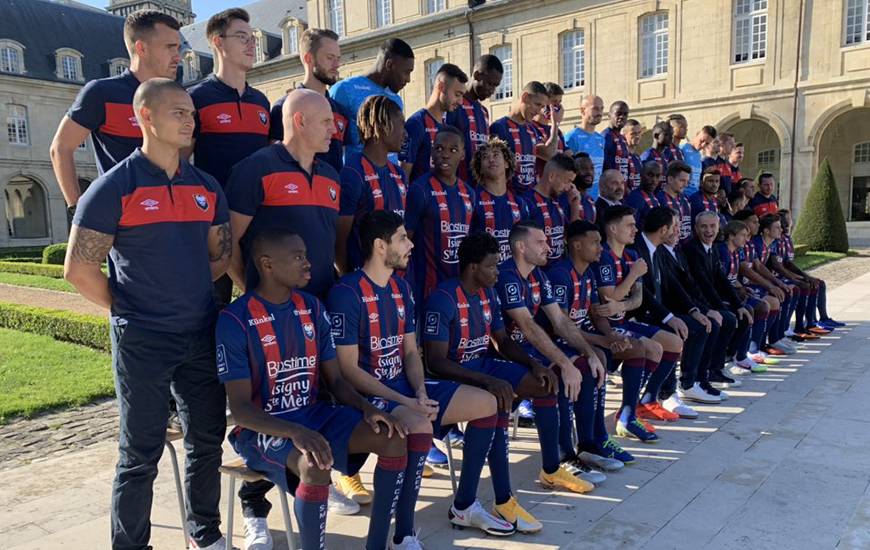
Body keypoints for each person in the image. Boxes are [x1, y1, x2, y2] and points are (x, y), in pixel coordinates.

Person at [64, 78, 231, 550]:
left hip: (199, 333)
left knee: (205, 442)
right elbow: (78, 269)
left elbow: (219, 256)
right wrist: (130, 308)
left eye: (191, 112)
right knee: (139, 455)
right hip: (143, 341)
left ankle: (206, 534)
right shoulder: (114, 187)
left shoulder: (206, 186)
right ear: (145, 118)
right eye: (177, 111)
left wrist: (187, 289)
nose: (189, 119)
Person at [217, 229, 409, 550]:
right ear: (267, 264)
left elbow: (335, 382)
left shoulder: (313, 308)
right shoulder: (235, 320)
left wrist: (368, 408)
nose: (308, 264)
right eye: (298, 257)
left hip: (314, 416)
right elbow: (240, 410)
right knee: (314, 463)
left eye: (306, 255)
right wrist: (294, 431)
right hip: (261, 428)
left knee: (393, 437)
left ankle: (378, 544)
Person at [328, 211, 510, 546]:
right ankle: (402, 535)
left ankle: (465, 505)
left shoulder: (402, 288)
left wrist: (421, 390)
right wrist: (406, 401)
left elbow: (411, 353)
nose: (411, 244)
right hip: (365, 397)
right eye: (402, 238)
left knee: (487, 403)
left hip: (404, 389)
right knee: (419, 425)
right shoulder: (347, 292)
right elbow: (348, 370)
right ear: (380, 246)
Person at [424, 232, 561, 533]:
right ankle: (491, 499)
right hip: (450, 377)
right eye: (492, 266)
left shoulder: (488, 293)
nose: (498, 271)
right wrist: (487, 380)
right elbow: (435, 362)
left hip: (482, 366)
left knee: (545, 383)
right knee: (493, 401)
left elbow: (503, 341)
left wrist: (533, 363)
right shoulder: (443, 299)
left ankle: (550, 470)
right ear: (473, 267)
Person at [496, 220, 607, 491]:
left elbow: (561, 320)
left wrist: (587, 352)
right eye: (540, 242)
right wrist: (562, 362)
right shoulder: (507, 275)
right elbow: (528, 326)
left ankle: (585, 447)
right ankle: (559, 459)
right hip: (504, 354)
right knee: (554, 376)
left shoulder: (538, 275)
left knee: (585, 366)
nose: (549, 246)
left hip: (528, 349)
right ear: (521, 247)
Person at [50, 10, 182, 213]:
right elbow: (60, 148)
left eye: (178, 48)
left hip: (174, 213)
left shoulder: (178, 96)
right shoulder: (102, 92)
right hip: (124, 219)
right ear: (141, 48)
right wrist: (77, 208)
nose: (178, 57)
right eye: (170, 48)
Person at [548, 220, 655, 462]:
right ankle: (589, 440)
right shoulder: (560, 274)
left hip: (581, 335)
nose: (600, 247)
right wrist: (601, 341)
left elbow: (596, 313)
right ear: (576, 245)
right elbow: (563, 326)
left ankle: (619, 422)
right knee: (596, 358)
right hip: (556, 342)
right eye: (595, 242)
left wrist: (610, 335)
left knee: (635, 349)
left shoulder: (587, 272)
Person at [187, 8, 271, 306]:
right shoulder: (198, 99)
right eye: (241, 37)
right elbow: (184, 167)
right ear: (217, 42)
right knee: (213, 313)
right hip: (216, 225)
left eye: (252, 38)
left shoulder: (261, 102)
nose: (251, 45)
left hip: (260, 223)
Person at [226, 89, 341, 299]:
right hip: (276, 317)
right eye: (326, 122)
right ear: (300, 121)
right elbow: (227, 241)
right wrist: (255, 293)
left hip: (323, 308)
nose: (333, 129)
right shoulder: (257, 169)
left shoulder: (331, 176)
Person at [593, 206, 687, 426]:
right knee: (651, 348)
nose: (635, 229)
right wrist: (633, 275)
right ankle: (628, 412)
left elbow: (637, 298)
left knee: (674, 343)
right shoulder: (604, 257)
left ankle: (647, 400)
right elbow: (609, 299)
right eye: (630, 225)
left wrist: (622, 303)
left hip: (623, 320)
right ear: (613, 229)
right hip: (603, 326)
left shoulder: (632, 255)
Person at [656, 211, 729, 404]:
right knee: (699, 326)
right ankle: (686, 383)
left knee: (714, 321)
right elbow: (675, 291)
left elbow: (691, 287)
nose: (676, 231)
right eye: (673, 227)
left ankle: (701, 379)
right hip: (668, 310)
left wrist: (705, 310)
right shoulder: (660, 253)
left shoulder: (678, 252)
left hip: (684, 306)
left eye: (679, 227)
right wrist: (698, 312)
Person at [337, 96, 408, 274]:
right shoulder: (353, 173)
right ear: (383, 125)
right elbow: (339, 240)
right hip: (365, 283)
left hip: (396, 282)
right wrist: (350, 278)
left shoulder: (398, 173)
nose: (405, 133)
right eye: (401, 124)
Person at [405, 126, 475, 304]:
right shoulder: (419, 189)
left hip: (459, 289)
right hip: (426, 290)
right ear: (432, 151)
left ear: (462, 154)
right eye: (439, 148)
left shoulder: (469, 193)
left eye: (453, 150)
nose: (445, 155)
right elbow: (406, 241)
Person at [683, 211, 753, 388]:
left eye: (712, 226)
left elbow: (721, 279)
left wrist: (738, 305)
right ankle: (705, 372)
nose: (709, 230)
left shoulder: (712, 247)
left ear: (718, 227)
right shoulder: (692, 249)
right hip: (694, 301)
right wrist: (715, 308)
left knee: (741, 314)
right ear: (696, 228)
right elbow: (702, 284)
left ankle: (719, 365)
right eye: (704, 226)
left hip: (707, 299)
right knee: (725, 319)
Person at [270, 28, 349, 172]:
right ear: (308, 59)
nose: (337, 65)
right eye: (330, 58)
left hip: (334, 191)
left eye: (338, 59)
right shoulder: (283, 108)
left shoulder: (341, 112)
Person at [330, 38, 414, 159]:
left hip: (389, 175)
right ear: (389, 64)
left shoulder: (396, 100)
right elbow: (332, 144)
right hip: (358, 174)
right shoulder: (345, 90)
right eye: (406, 72)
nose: (408, 79)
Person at [776, 209, 844, 334]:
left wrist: (803, 276)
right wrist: (801, 277)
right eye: (788, 218)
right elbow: (783, 265)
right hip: (780, 277)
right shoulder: (778, 241)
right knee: (805, 286)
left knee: (818, 283)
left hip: (787, 274)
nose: (790, 221)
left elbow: (788, 263)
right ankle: (799, 325)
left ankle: (817, 320)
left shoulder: (787, 239)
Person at [715, 220, 769, 374]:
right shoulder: (722, 252)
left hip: (733, 293)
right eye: (743, 235)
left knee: (760, 306)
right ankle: (735, 356)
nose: (747, 239)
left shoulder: (736, 253)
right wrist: (736, 292)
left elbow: (732, 278)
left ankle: (743, 353)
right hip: (721, 297)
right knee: (748, 311)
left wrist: (741, 287)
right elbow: (721, 281)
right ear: (731, 236)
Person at [400, 63, 468, 182]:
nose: (461, 102)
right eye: (457, 94)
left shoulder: (447, 126)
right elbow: (403, 174)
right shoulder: (416, 124)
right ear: (441, 87)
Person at [490, 81, 559, 194]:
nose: (538, 111)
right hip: (509, 198)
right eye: (537, 104)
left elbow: (549, 153)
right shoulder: (499, 127)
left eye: (542, 107)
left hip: (528, 199)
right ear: (525, 97)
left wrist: (555, 123)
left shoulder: (531, 129)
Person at [469, 137, 529, 264]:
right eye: (485, 157)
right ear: (480, 168)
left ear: (507, 163)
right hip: (483, 277)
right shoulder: (472, 200)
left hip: (512, 276)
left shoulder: (519, 204)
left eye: (496, 155)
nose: (491, 159)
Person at [445, 54, 503, 182]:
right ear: (477, 75)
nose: (492, 90)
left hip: (480, 188)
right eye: (490, 84)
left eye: (496, 86)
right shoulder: (455, 105)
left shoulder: (484, 112)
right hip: (458, 186)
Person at [525, 153, 576, 265]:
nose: (568, 188)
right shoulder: (527, 202)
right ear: (552, 176)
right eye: (567, 181)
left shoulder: (558, 201)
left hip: (558, 271)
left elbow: (570, 236)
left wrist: (575, 206)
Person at [564, 95, 605, 198]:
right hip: (577, 198)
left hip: (596, 199)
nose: (599, 113)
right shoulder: (572, 137)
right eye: (595, 108)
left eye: (601, 108)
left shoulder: (601, 139)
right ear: (583, 110)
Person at [531, 82, 569, 174]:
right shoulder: (530, 127)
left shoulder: (558, 131)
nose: (557, 107)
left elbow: (567, 159)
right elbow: (549, 154)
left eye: (559, 102)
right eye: (554, 102)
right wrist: (555, 123)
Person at [656, 161, 693, 243]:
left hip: (686, 249)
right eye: (682, 180)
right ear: (670, 179)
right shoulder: (659, 199)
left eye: (687, 181)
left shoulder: (685, 199)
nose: (686, 185)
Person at [601, 101, 631, 186]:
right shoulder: (605, 137)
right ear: (609, 116)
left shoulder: (623, 139)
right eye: (618, 113)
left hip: (622, 188)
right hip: (610, 188)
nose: (622, 117)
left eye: (625, 114)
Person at [625, 160, 662, 229]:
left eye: (657, 176)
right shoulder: (635, 198)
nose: (654, 179)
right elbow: (632, 228)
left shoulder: (653, 197)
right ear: (641, 174)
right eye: (650, 175)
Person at [681, 125, 716, 196]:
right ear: (697, 134)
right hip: (683, 195)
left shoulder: (699, 155)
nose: (703, 145)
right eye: (702, 140)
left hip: (695, 196)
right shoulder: (683, 149)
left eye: (707, 143)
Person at [640, 121, 674, 189]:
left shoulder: (664, 156)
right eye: (667, 134)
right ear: (656, 135)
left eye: (672, 135)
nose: (671, 138)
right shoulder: (648, 155)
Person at [572, 152, 598, 223]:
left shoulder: (590, 201)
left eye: (592, 168)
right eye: (583, 168)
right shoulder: (565, 200)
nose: (589, 172)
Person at [621, 118, 644, 193]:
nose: (637, 136)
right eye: (633, 134)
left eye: (639, 133)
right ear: (624, 135)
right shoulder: (622, 157)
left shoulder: (637, 157)